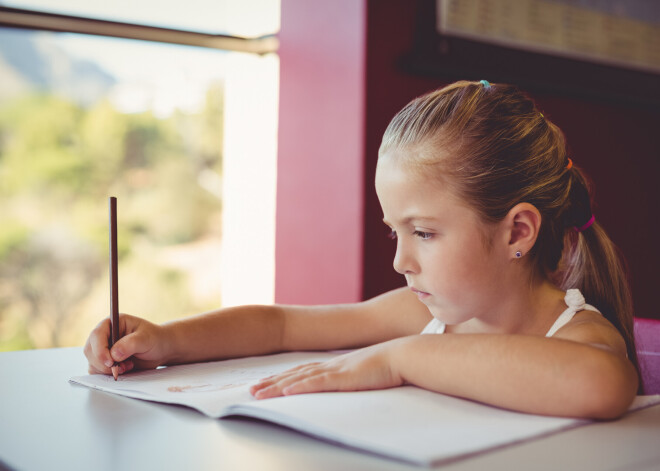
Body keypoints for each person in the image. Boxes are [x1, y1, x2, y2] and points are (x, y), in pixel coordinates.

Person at [84, 80, 640, 419]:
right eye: (393, 231)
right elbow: (281, 327)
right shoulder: (424, 313)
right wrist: (165, 340)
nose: (400, 261)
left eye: (423, 232)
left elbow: (601, 384)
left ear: (517, 232)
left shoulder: (577, 335)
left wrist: (403, 358)